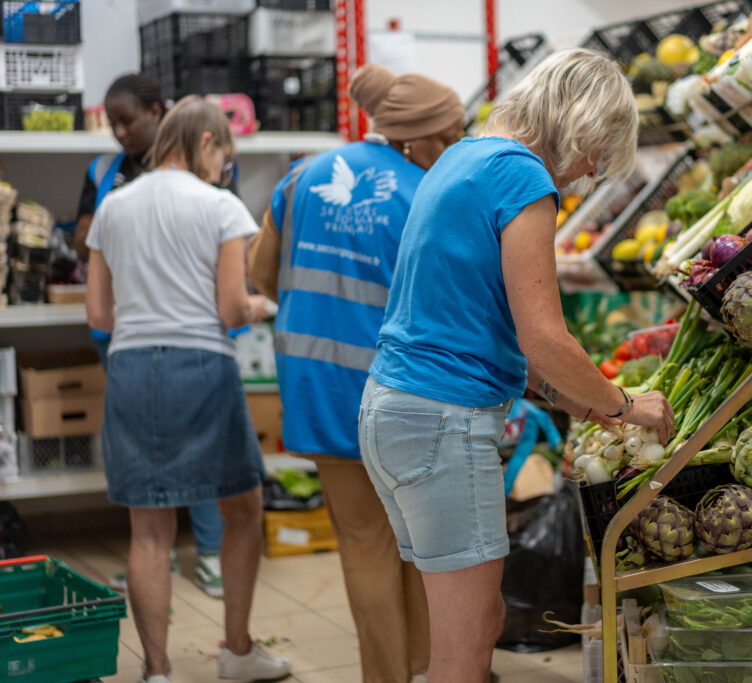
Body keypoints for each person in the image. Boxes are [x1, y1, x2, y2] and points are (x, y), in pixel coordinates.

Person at [358, 48, 673, 683]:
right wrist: (626, 406)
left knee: (473, 619)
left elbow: (473, 317)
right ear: (579, 122)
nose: (586, 174)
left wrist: (567, 396)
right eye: (595, 152)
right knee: (466, 645)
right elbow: (545, 337)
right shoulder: (522, 175)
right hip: (442, 423)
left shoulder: (463, 158)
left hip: (395, 413)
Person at [247, 63, 464, 683]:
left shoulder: (301, 177)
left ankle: (389, 675)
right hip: (406, 391)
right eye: (445, 137)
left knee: (365, 544)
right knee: (422, 544)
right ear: (408, 137)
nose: (449, 149)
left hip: (319, 386)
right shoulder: (427, 192)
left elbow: (266, 278)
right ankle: (428, 668)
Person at [85, 96, 291, 683]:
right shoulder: (220, 206)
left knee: (149, 530)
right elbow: (230, 309)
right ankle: (237, 650)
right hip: (200, 364)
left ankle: (156, 671)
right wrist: (258, 304)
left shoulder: (113, 207)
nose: (224, 168)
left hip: (129, 367)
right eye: (224, 155)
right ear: (207, 143)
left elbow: (99, 315)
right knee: (242, 509)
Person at [75, 73, 226, 599]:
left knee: (198, 448)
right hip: (126, 331)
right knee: (151, 452)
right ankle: (154, 558)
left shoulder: (206, 173)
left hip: (177, 333)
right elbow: (83, 239)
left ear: (157, 111)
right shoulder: (105, 172)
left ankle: (209, 555)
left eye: (127, 121)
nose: (119, 132)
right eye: (111, 123)